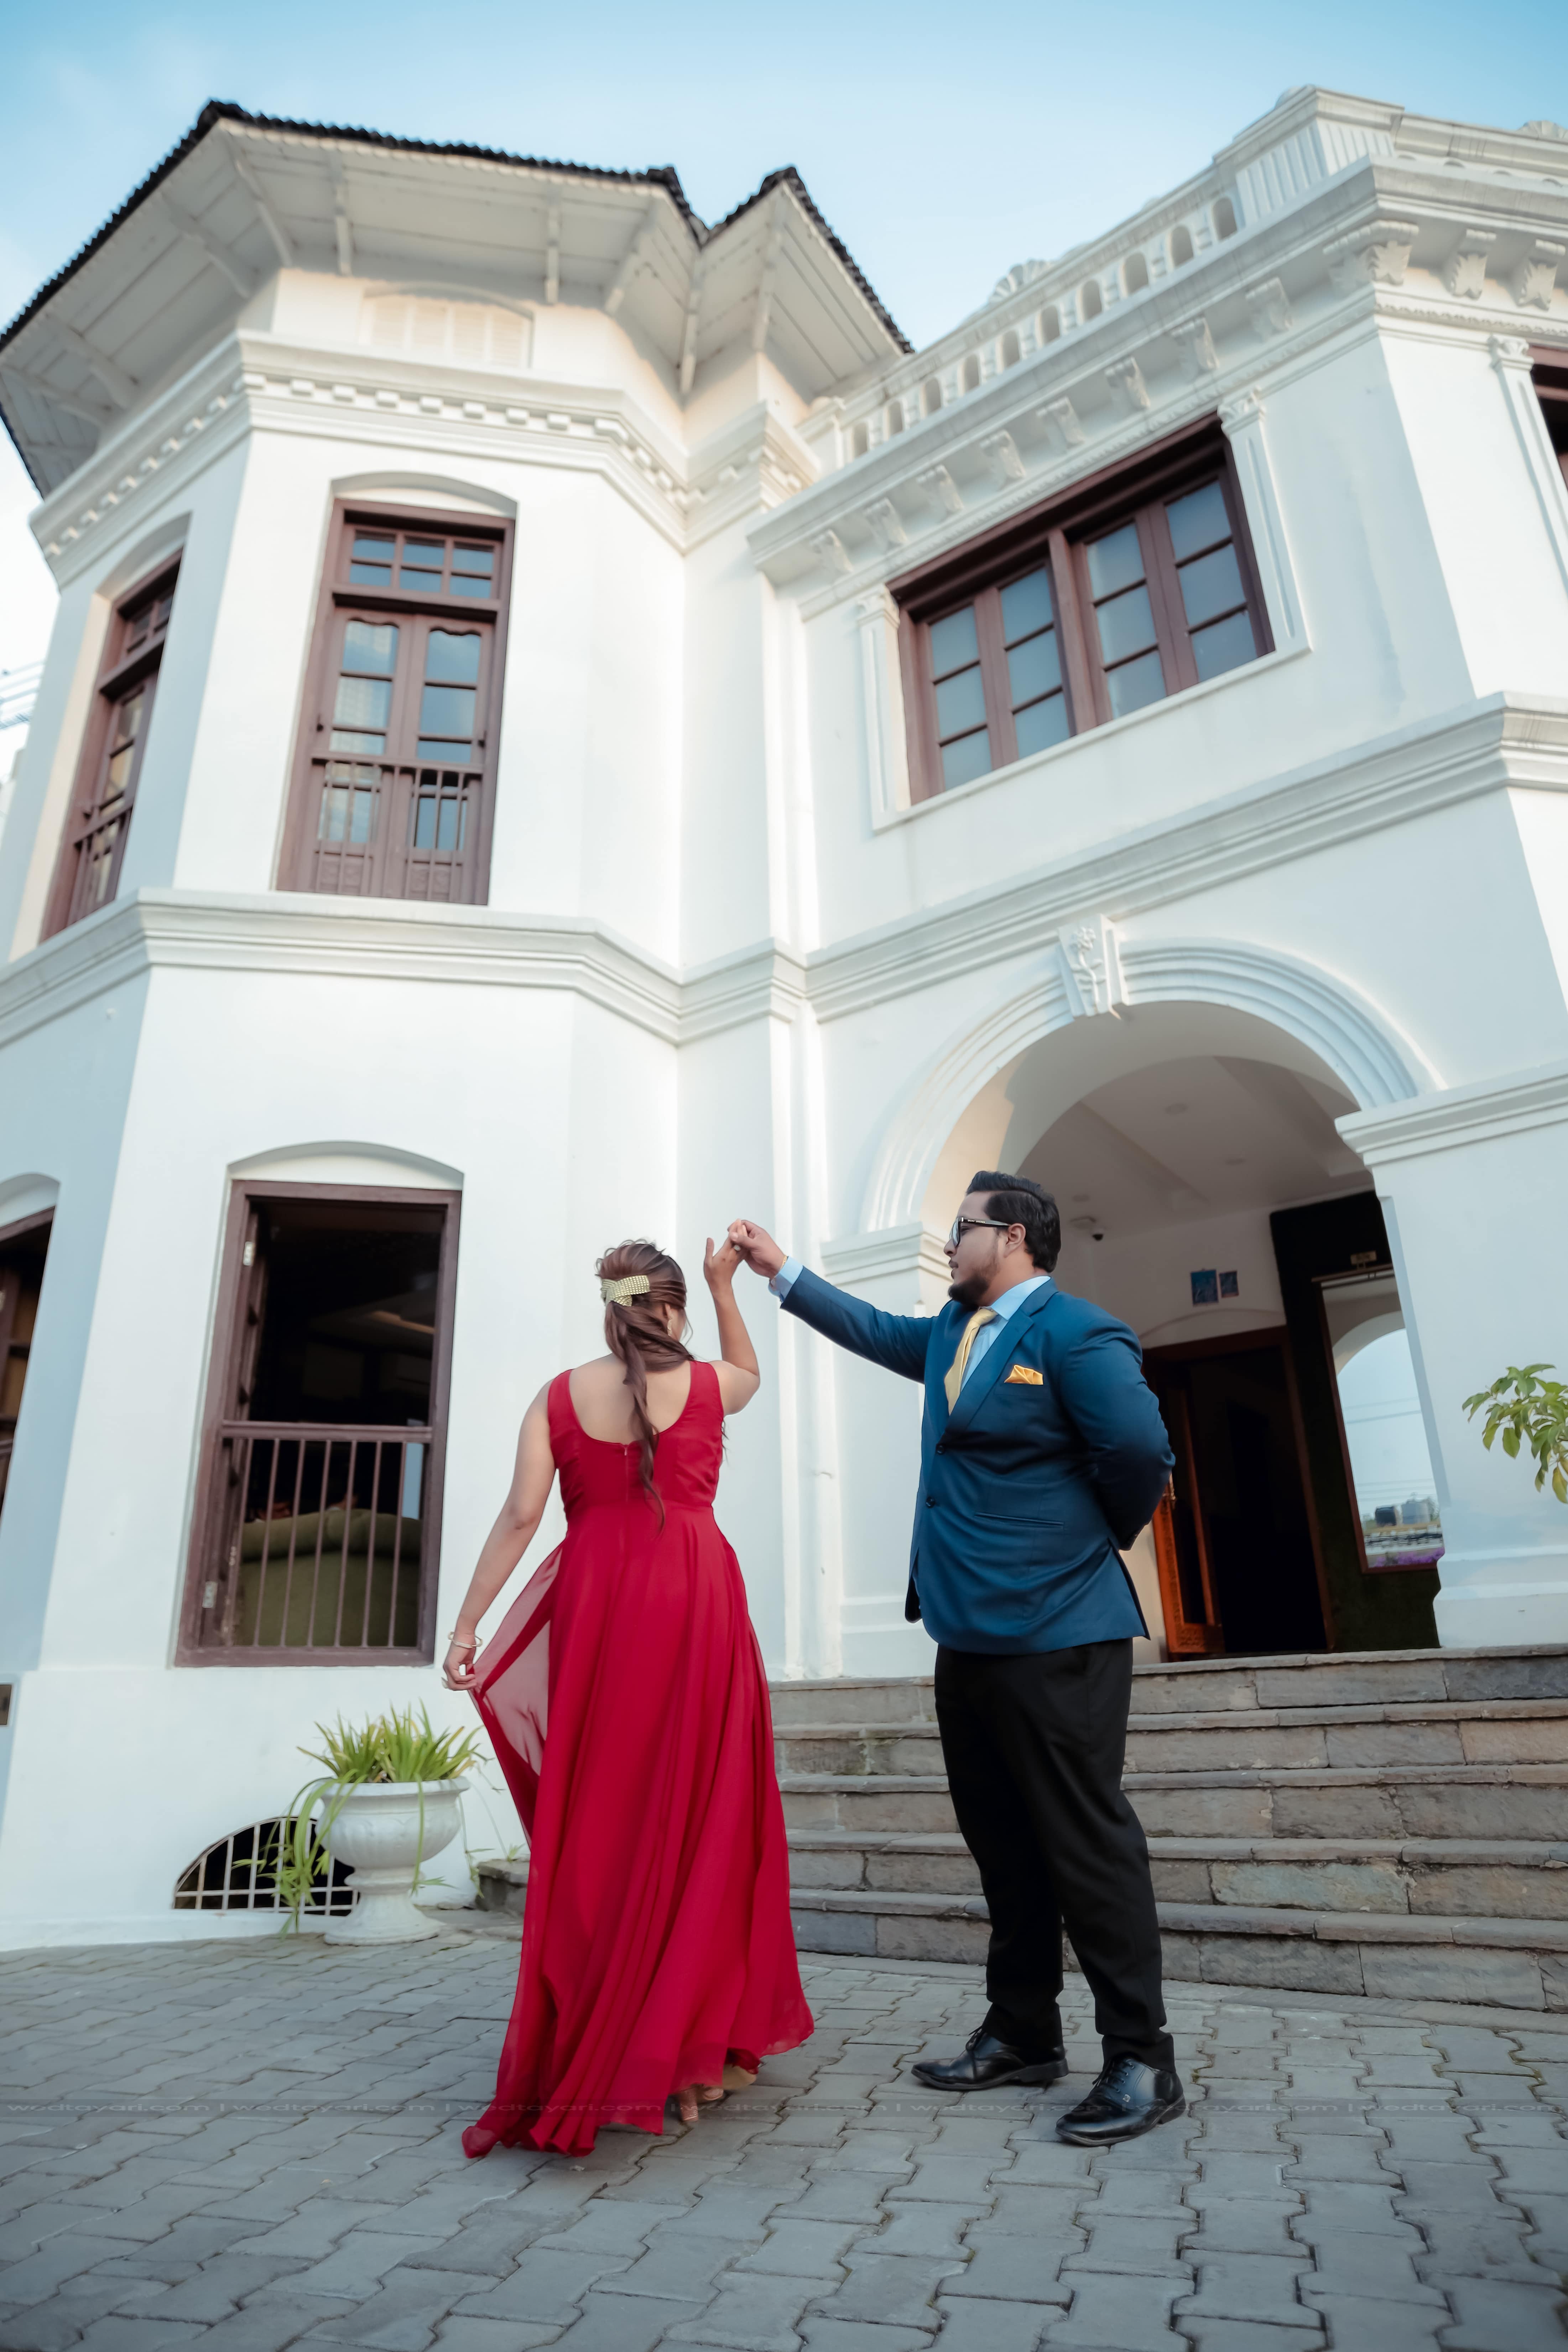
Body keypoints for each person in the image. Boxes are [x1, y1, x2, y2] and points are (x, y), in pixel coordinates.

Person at [728, 1175, 1183, 2148]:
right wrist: (780, 1270)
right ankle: (1022, 2031)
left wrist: (1082, 1544)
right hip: (965, 1633)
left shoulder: (1077, 1332)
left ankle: (1142, 2058)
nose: (948, 1242)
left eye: (961, 1228)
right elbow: (871, 1329)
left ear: (1011, 1236)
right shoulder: (950, 1330)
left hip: (1060, 1630)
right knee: (1003, 1846)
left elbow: (1141, 1454)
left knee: (1086, 1844)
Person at [442, 1235, 812, 2158]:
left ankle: (617, 2039)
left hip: (600, 1608)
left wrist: (467, 1626)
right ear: (671, 1306)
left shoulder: (556, 1395)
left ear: (608, 1308)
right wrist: (727, 1288)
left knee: (603, 1821)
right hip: (695, 1600)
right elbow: (749, 1373)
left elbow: (522, 1515)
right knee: (706, 1818)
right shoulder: (710, 1385)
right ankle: (687, 2053)